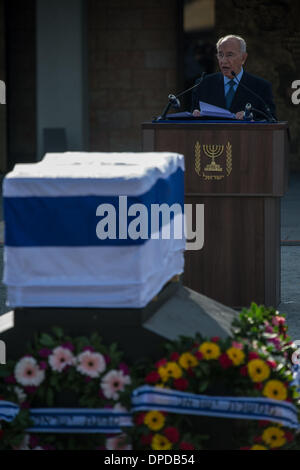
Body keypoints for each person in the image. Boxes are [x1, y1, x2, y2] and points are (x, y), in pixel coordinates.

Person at [191, 35, 276, 120]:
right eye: (220, 55)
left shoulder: (261, 87)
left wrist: (251, 119)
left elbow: (271, 120)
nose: (223, 61)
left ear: (243, 58)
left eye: (230, 55)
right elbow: (192, 118)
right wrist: (195, 116)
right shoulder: (202, 84)